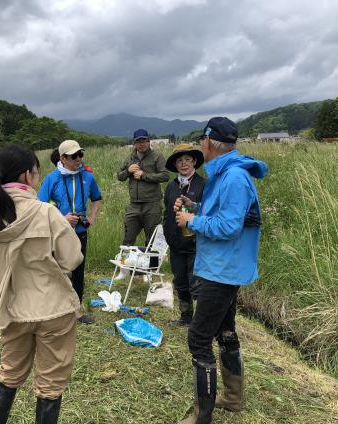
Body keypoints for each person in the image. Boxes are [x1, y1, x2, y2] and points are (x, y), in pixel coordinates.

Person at [0, 145, 83, 424]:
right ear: (26, 175)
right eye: (36, 171)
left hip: (11, 310)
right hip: (54, 309)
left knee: (8, 373)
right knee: (50, 384)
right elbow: (72, 259)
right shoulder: (46, 213)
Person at [174, 117, 268, 423]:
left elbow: (228, 226)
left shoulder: (233, 178)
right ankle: (233, 398)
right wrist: (196, 208)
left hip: (222, 270)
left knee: (199, 339)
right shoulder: (224, 173)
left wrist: (191, 222)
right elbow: (222, 214)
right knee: (225, 332)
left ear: (210, 142)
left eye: (202, 140)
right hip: (222, 266)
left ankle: (203, 415)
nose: (200, 145)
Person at [38, 140, 102, 325]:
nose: (78, 159)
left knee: (79, 269)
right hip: (59, 233)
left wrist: (92, 216)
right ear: (62, 158)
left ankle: (77, 310)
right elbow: (41, 205)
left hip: (80, 231)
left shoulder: (88, 177)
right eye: (74, 156)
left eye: (80, 155)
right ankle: (56, 308)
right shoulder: (52, 178)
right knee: (58, 270)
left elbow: (97, 199)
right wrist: (61, 217)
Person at [115, 129, 169, 280]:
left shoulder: (157, 156)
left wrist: (143, 175)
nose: (142, 144)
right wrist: (128, 170)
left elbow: (165, 175)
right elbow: (119, 176)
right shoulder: (130, 157)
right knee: (128, 239)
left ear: (149, 141)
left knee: (150, 240)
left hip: (152, 203)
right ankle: (124, 271)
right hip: (134, 205)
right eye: (138, 141)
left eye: (144, 140)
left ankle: (148, 273)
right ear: (134, 143)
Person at [163, 144, 205, 326]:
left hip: (197, 244)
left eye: (187, 159)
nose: (183, 163)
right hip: (176, 244)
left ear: (194, 161)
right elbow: (167, 213)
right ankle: (186, 317)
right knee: (180, 281)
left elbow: (209, 213)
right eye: (179, 161)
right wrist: (167, 233)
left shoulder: (203, 184)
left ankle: (202, 321)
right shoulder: (171, 186)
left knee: (197, 285)